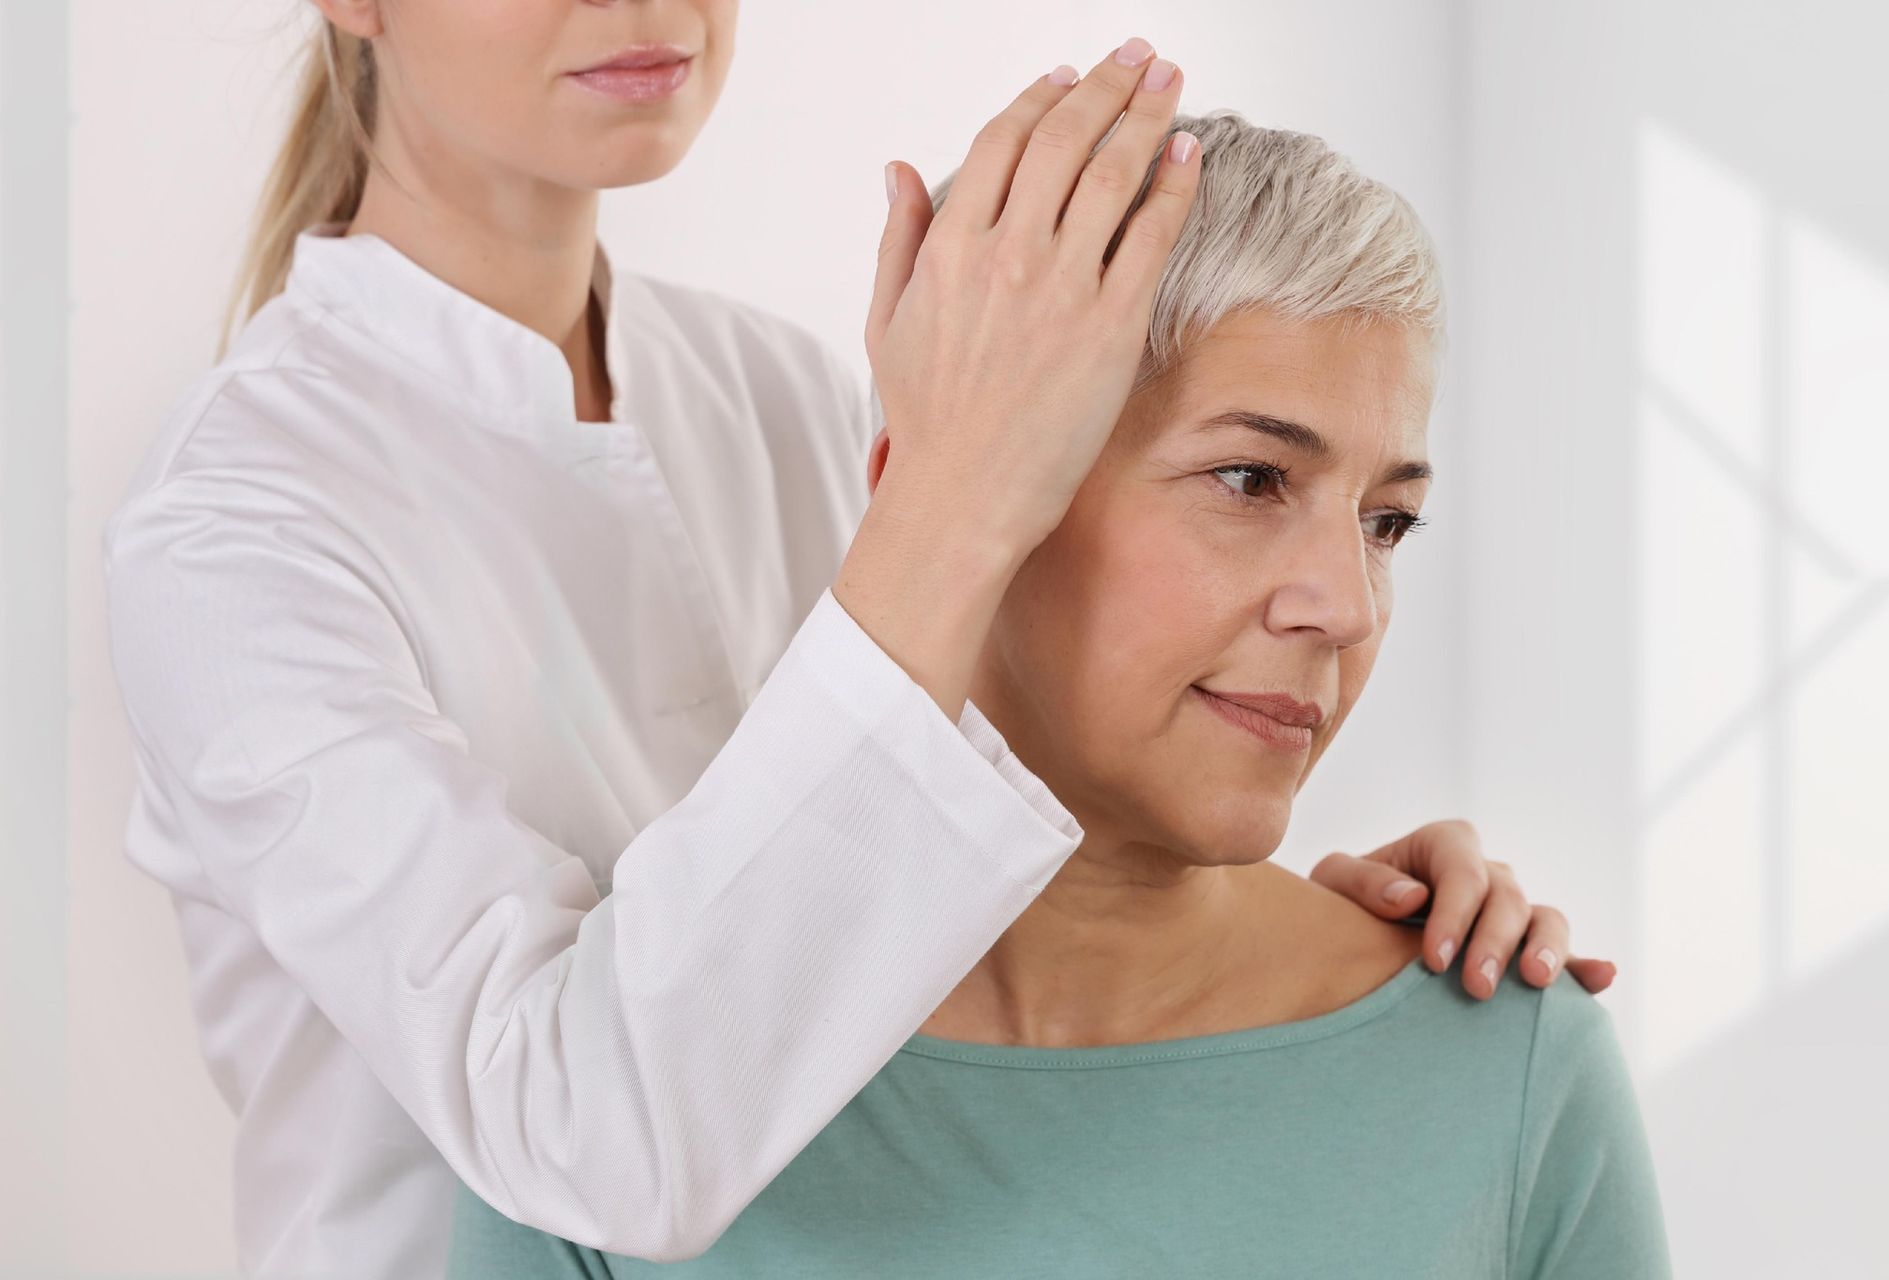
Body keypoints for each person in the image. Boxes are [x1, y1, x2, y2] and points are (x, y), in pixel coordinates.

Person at [99, 3, 1615, 1276]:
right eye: (1254, 477)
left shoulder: (765, 389)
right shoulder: (237, 532)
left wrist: (1323, 955)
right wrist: (958, 483)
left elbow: (999, 788)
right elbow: (593, 1137)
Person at [444, 109, 1672, 1277]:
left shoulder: (1505, 1066)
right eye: (1250, 478)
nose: (1344, 606)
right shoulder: (618, 1060)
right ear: (952, 490)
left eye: (1387, 520)